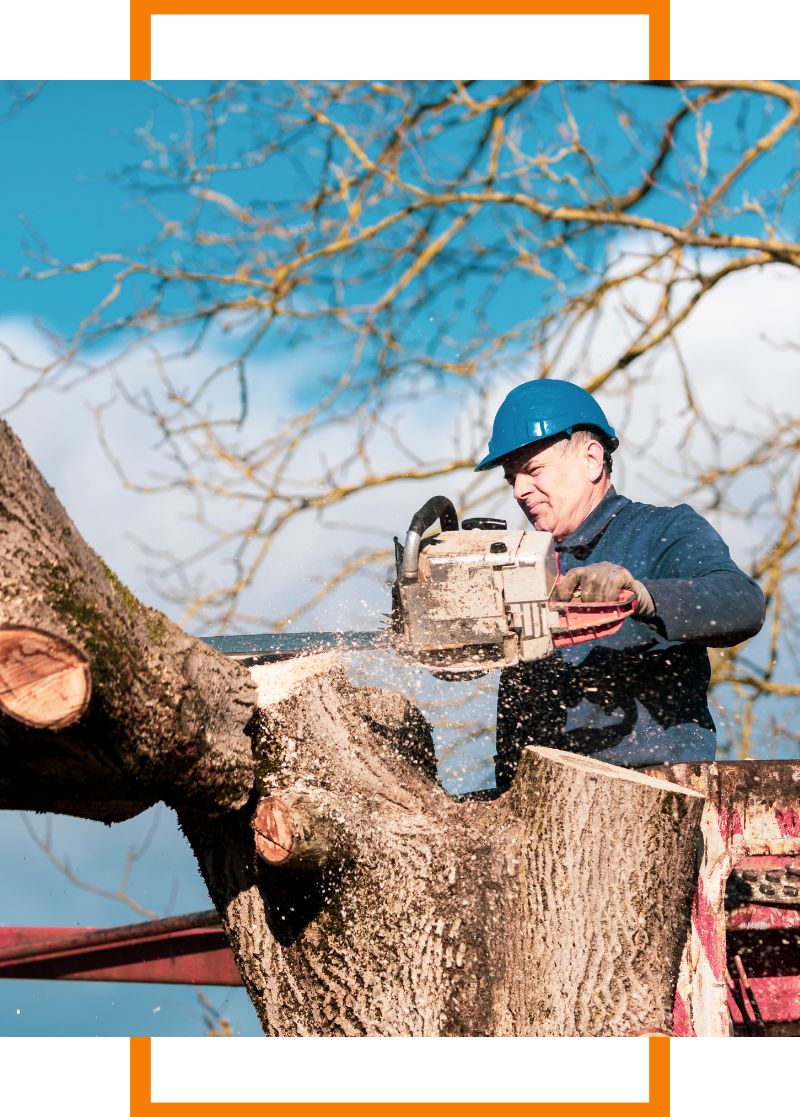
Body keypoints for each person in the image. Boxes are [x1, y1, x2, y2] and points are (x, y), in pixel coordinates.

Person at [474, 380, 765, 789]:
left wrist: (645, 596)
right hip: (532, 800)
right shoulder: (518, 566)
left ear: (592, 460)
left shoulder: (662, 530)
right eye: (511, 479)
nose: (519, 490)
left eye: (533, 470)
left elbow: (741, 603)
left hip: (652, 788)